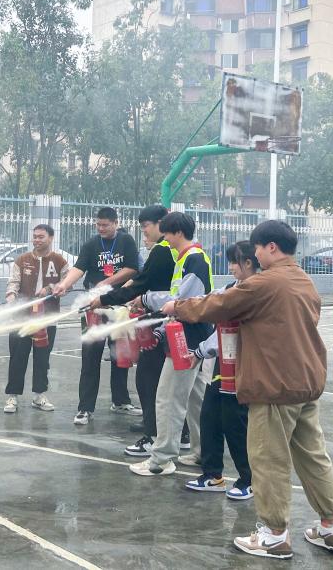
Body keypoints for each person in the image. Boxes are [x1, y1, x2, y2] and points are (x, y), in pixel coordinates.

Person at [163, 220, 333, 559]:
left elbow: (218, 305)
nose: (256, 256)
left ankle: (274, 534)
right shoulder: (304, 282)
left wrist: (177, 307)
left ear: (271, 248)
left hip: (274, 386)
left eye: (258, 249)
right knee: (313, 457)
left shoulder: (264, 283)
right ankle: (329, 526)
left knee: (269, 459)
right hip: (305, 383)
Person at [129, 211, 213, 476]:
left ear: (177, 232)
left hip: (186, 341)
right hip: (189, 337)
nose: (164, 239)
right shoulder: (186, 259)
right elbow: (176, 303)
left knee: (167, 399)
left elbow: (180, 302)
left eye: (166, 233)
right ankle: (202, 451)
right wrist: (160, 330)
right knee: (196, 400)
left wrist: (147, 300)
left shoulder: (194, 260)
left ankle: (161, 459)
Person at [90, 205, 176, 457]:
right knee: (164, 383)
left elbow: (140, 282)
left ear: (161, 223)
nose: (144, 234)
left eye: (146, 227)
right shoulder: (180, 252)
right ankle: (174, 432)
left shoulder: (162, 251)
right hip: (166, 320)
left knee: (148, 379)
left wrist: (104, 299)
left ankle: (152, 435)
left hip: (160, 324)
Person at [52, 207, 141, 425]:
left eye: (105, 225)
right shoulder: (91, 245)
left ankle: (120, 401)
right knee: (90, 356)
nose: (101, 228)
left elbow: (132, 268)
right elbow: (79, 268)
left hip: (120, 306)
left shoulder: (126, 241)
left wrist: (107, 282)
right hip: (93, 306)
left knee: (120, 354)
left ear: (115, 223)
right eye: (98, 224)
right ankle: (85, 408)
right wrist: (64, 284)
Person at [186, 240, 255, 501]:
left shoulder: (252, 292)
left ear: (249, 263)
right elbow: (212, 314)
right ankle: (212, 474)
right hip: (220, 366)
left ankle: (249, 478)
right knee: (210, 417)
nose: (231, 267)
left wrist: (201, 351)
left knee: (235, 423)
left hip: (242, 365)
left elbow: (228, 331)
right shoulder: (230, 288)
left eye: (234, 262)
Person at [3, 224, 69, 414]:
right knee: (17, 358)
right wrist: (11, 296)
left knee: (42, 359)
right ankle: (12, 396)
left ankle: (39, 395)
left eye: (41, 237)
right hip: (21, 318)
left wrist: (50, 289)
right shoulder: (22, 260)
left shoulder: (59, 261)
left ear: (51, 238)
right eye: (35, 237)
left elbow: (67, 285)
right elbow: (13, 282)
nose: (37, 240)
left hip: (47, 319)